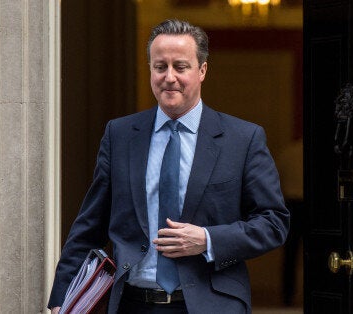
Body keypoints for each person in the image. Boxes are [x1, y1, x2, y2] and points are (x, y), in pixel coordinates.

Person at [48, 19, 289, 314]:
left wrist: (208, 239)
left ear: (202, 70)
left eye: (181, 67)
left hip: (212, 304)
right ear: (150, 70)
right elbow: (89, 227)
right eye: (160, 67)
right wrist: (63, 299)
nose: (169, 77)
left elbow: (273, 222)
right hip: (132, 304)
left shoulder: (243, 139)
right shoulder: (120, 135)